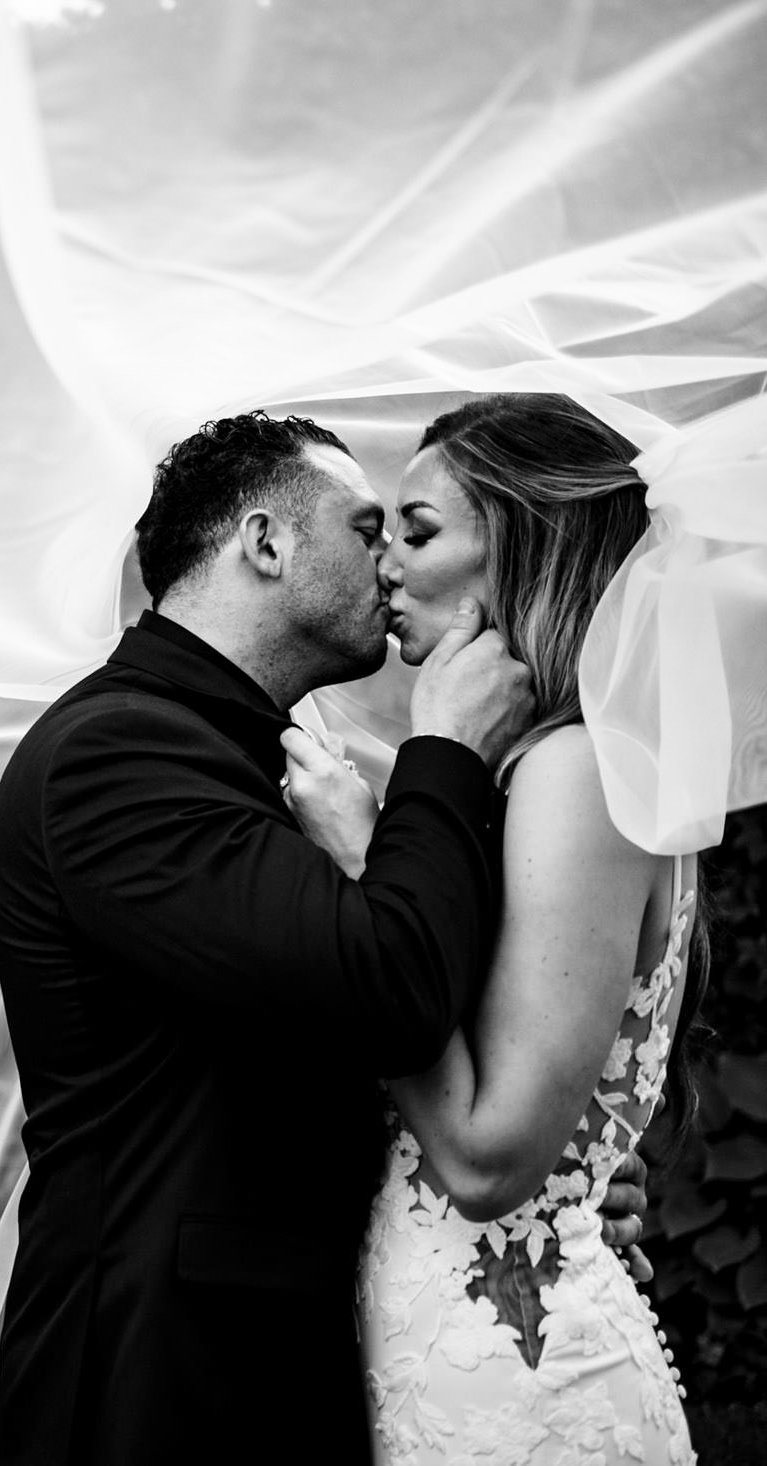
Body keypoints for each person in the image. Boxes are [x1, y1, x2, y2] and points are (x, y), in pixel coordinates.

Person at [0, 410, 538, 1464]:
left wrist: (548, 1177)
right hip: (158, 1386)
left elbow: (308, 1020)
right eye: (362, 526)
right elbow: (391, 990)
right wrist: (446, 749)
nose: (386, 563)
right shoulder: (119, 751)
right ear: (265, 542)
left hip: (275, 1358)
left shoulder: (250, 750)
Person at [283, 394, 704, 1464]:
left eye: (417, 532)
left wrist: (352, 866)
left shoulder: (573, 773)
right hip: (453, 1348)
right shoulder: (555, 772)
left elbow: (482, 1157)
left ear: (524, 543)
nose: (383, 564)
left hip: (510, 1385)